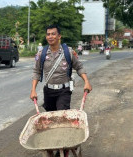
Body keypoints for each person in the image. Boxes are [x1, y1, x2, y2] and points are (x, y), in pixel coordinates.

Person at [30, 24, 92, 156]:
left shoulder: (68, 52)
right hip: (48, 92)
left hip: (64, 91)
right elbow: (36, 71)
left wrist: (86, 81)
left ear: (59, 36)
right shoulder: (41, 54)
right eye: (48, 34)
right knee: (51, 122)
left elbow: (79, 67)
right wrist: (33, 90)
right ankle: (53, 147)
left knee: (61, 120)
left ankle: (62, 150)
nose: (50, 36)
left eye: (53, 34)